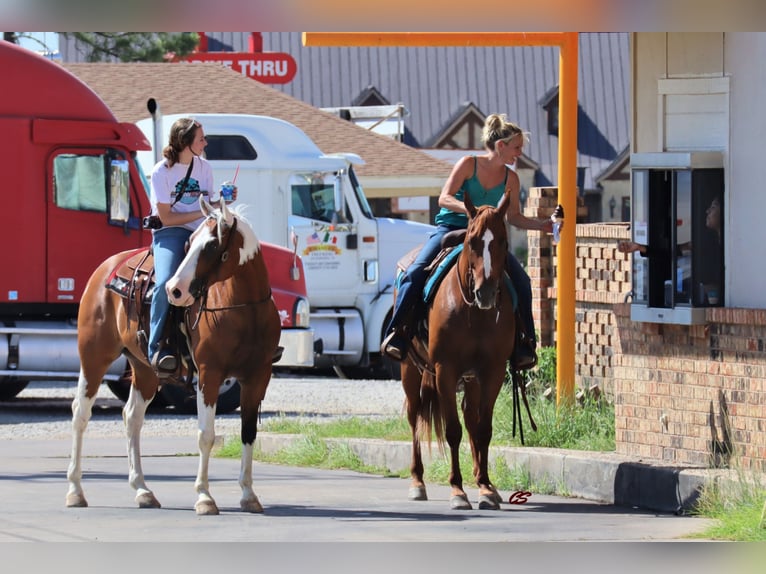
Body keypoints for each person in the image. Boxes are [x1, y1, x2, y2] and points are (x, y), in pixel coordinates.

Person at [381, 113, 556, 370]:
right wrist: (474, 213)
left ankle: (524, 344)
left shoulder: (512, 179)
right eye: (516, 147)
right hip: (451, 229)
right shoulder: (467, 165)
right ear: (500, 146)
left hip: (487, 240)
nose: (519, 153)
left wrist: (542, 225)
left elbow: (514, 216)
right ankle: (398, 333)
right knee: (415, 273)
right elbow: (444, 198)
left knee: (522, 281)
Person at [147, 117, 237, 373]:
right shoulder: (160, 172)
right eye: (201, 139)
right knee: (165, 281)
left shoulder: (204, 168)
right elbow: (166, 218)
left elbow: (209, 203)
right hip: (171, 232)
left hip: (201, 230)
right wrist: (201, 212)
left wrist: (223, 202)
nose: (205, 142)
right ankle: (154, 347)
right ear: (186, 142)